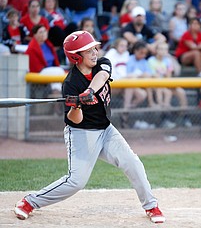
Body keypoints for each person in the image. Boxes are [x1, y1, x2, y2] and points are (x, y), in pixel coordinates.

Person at [14, 30, 165, 224]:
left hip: (106, 129)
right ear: (76, 56)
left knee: (133, 162)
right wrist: (76, 104)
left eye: (94, 48)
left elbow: (102, 76)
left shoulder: (101, 63)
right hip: (81, 133)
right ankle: (29, 202)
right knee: (76, 182)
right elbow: (74, 120)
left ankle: (151, 205)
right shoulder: (70, 84)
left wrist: (89, 92)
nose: (94, 52)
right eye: (88, 50)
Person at [103, 38, 147, 128]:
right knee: (130, 82)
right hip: (113, 83)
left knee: (142, 95)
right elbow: (108, 72)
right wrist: (124, 78)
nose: (124, 48)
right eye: (122, 46)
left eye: (125, 46)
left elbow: (127, 71)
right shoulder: (111, 54)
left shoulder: (126, 55)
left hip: (125, 83)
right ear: (116, 46)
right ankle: (125, 117)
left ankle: (124, 111)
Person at [25, 24, 65, 97]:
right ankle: (56, 94)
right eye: (40, 32)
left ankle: (57, 94)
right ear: (35, 35)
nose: (43, 34)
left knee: (59, 71)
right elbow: (35, 67)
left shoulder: (48, 45)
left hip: (51, 70)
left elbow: (55, 62)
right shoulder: (31, 48)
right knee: (57, 71)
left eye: (44, 31)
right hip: (40, 72)